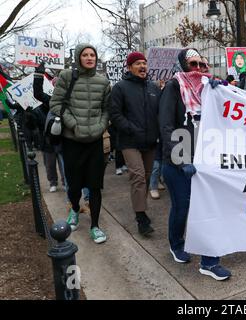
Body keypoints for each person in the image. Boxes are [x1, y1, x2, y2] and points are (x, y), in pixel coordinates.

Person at [159, 48, 231, 281]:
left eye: (201, 64)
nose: (198, 69)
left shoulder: (210, 88)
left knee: (208, 209)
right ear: (182, 65)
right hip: (180, 162)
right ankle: (176, 243)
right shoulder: (173, 87)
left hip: (207, 160)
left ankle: (209, 261)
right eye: (192, 64)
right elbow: (166, 125)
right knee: (182, 208)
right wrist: (181, 159)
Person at [50, 43, 110, 244]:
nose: (89, 57)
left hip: (94, 141)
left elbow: (106, 109)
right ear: (78, 57)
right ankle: (74, 210)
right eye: (85, 54)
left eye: (92, 54)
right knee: (74, 184)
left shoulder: (103, 81)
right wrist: (73, 124)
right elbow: (56, 104)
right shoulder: (67, 77)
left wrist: (100, 126)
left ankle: (95, 225)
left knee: (95, 186)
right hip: (72, 141)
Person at [109, 51, 160, 237]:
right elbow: (114, 114)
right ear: (129, 67)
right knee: (138, 176)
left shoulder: (154, 88)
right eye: (138, 63)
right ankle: (141, 217)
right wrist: (130, 128)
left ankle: (141, 208)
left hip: (150, 142)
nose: (142, 66)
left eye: (144, 63)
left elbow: (160, 113)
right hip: (129, 141)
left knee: (146, 177)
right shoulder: (120, 88)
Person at [33, 62, 65, 193]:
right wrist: (38, 75)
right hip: (49, 140)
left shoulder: (70, 100)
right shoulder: (50, 100)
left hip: (64, 139)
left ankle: (65, 181)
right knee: (50, 164)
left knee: (65, 165)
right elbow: (38, 94)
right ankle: (53, 182)